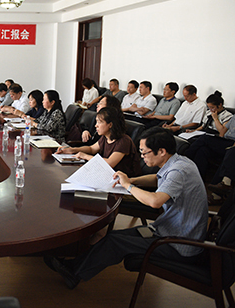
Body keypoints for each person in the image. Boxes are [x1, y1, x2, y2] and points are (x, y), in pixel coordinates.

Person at [45, 127, 207, 289]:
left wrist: (128, 186)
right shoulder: (180, 162)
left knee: (115, 242)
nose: (142, 157)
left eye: (144, 153)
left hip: (178, 244)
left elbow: (155, 202)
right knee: (113, 237)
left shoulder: (178, 171)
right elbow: (157, 178)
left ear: (162, 151)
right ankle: (73, 266)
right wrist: (132, 180)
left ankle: (74, 273)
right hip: (167, 230)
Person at [57, 107, 141, 176]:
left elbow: (109, 163)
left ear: (110, 125)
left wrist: (85, 156)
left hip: (124, 181)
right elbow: (91, 149)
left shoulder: (124, 141)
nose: (96, 125)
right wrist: (72, 150)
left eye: (99, 122)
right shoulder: (105, 137)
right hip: (107, 175)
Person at [185, 116, 235, 203]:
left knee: (205, 138)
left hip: (232, 145)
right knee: (203, 150)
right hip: (227, 141)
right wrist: (215, 118)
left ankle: (184, 159)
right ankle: (196, 180)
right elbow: (222, 132)